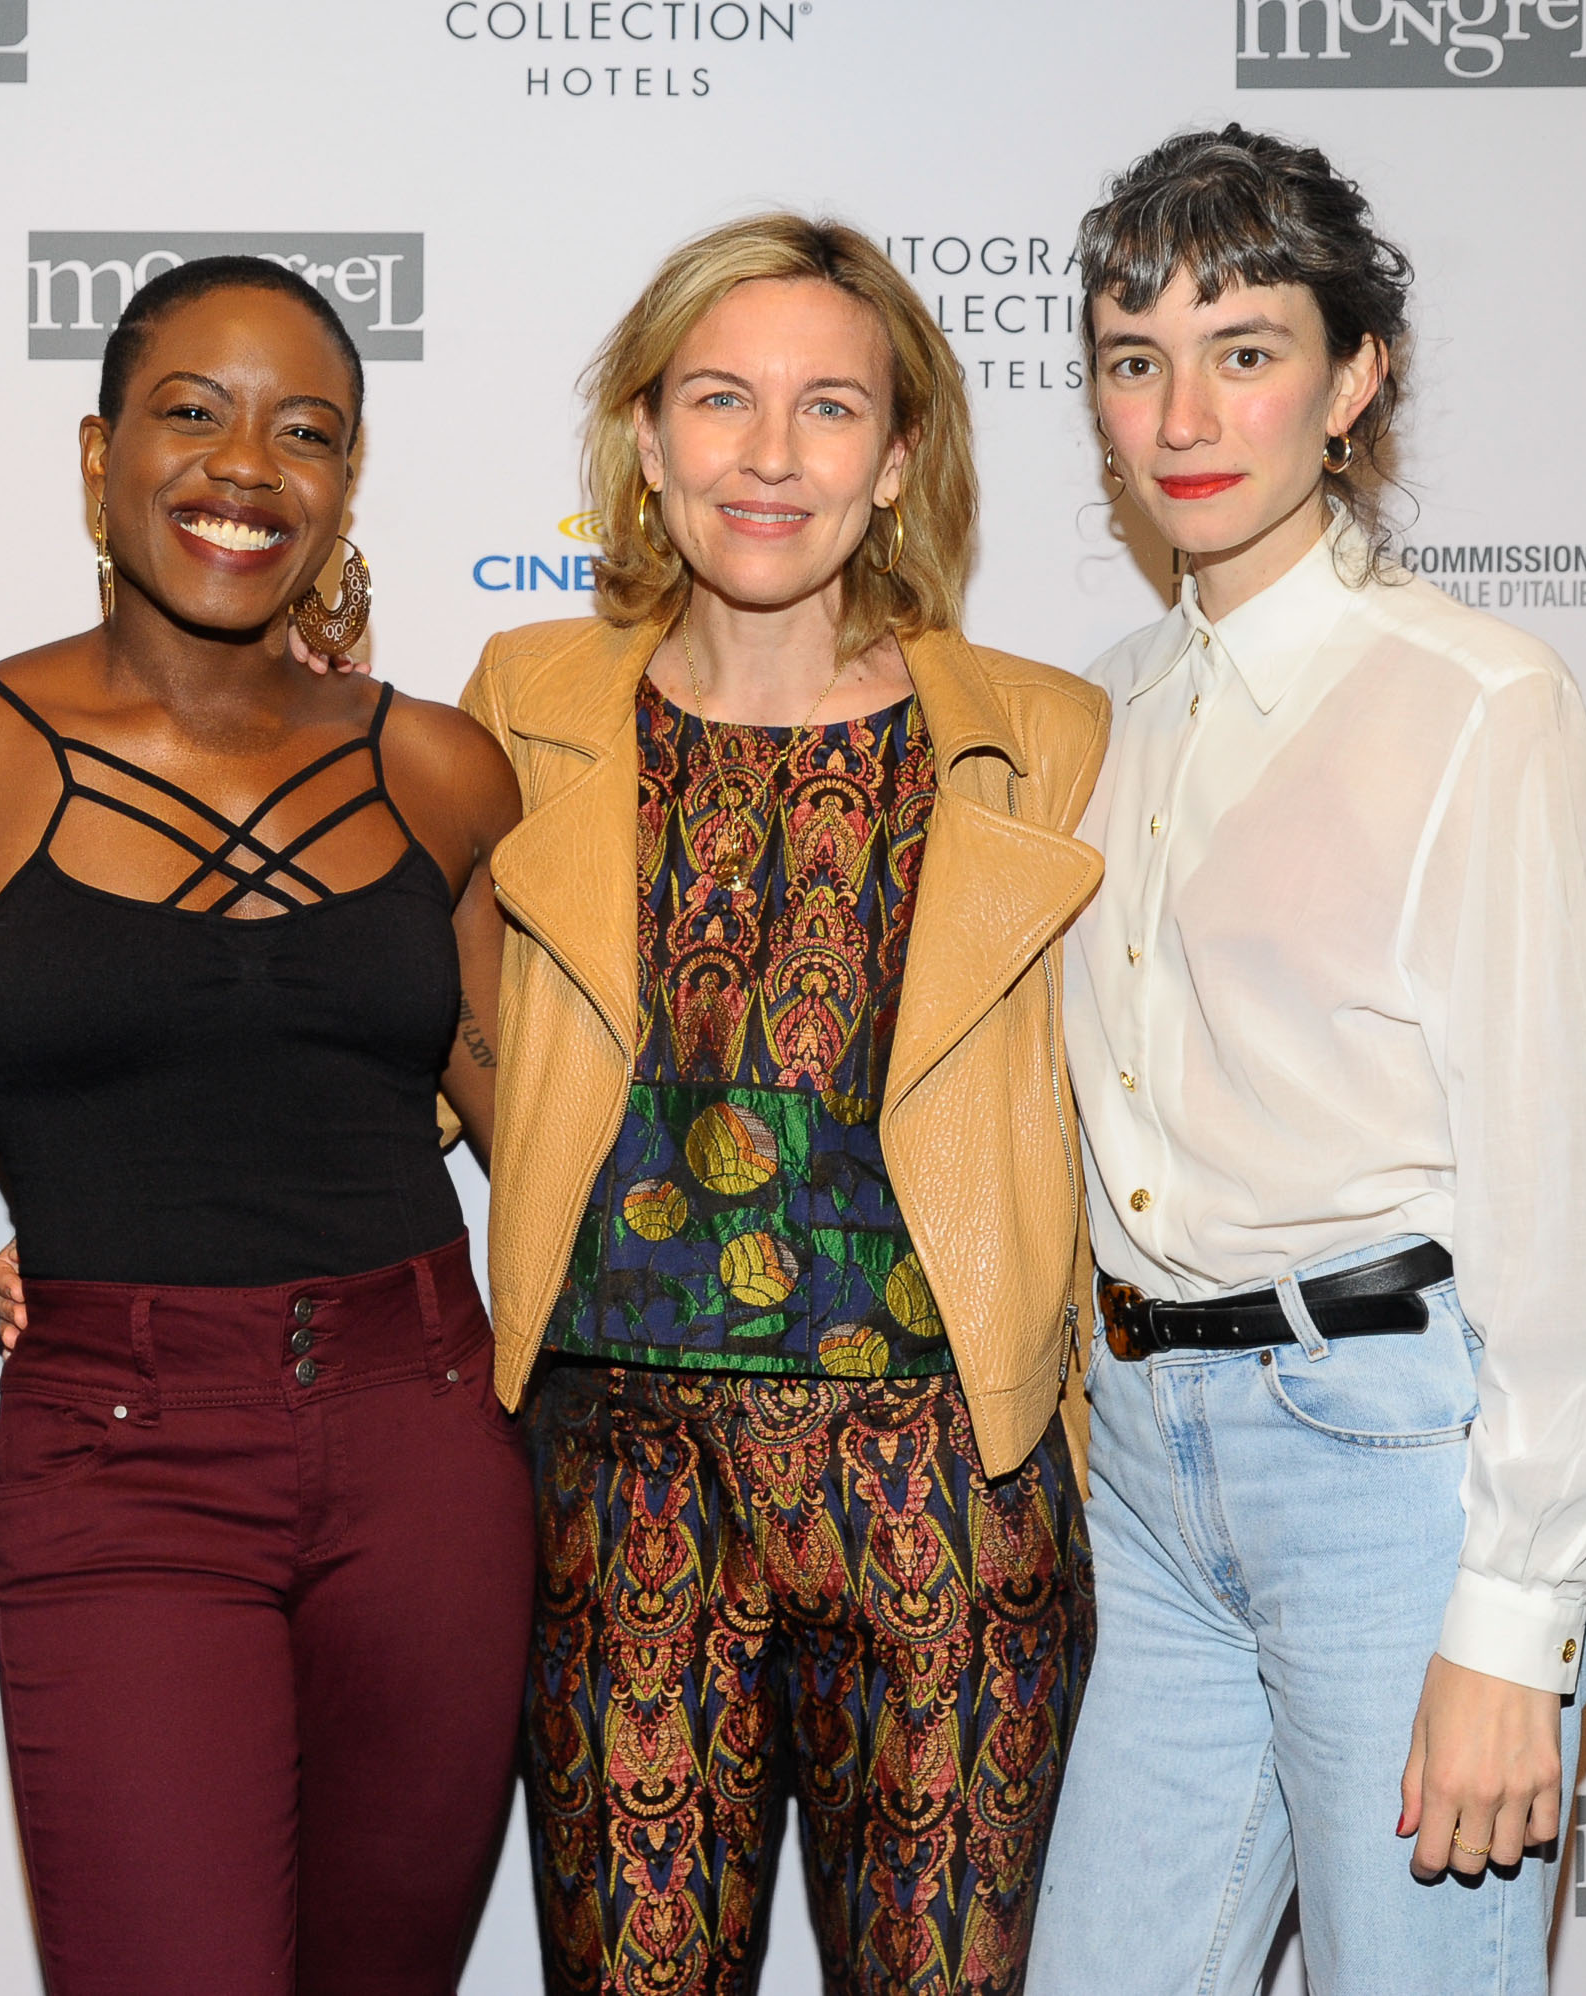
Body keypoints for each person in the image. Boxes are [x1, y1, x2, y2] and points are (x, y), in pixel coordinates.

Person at [1026, 127, 1586, 1996]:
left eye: (1246, 346)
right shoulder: (1120, 703)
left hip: (1384, 1458)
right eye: (1135, 358)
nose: (1183, 410)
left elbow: (1555, 1182)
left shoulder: (1477, 701)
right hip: (1143, 1467)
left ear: (1355, 374)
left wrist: (1522, 1612)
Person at [465, 214, 1109, 1996]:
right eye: (720, 400)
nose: (769, 453)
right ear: (647, 440)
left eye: (829, 408)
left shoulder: (1047, 737)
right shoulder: (523, 710)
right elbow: (402, 1028)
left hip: (949, 1497)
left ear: (898, 460)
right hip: (617, 1489)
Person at [0, 254, 529, 1996]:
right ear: (96, 452)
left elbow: (521, 1114)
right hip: (120, 1456)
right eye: (190, 413)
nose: (243, 466)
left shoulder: (438, 767)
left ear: (347, 486)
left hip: (424, 1436)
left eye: (306, 432)